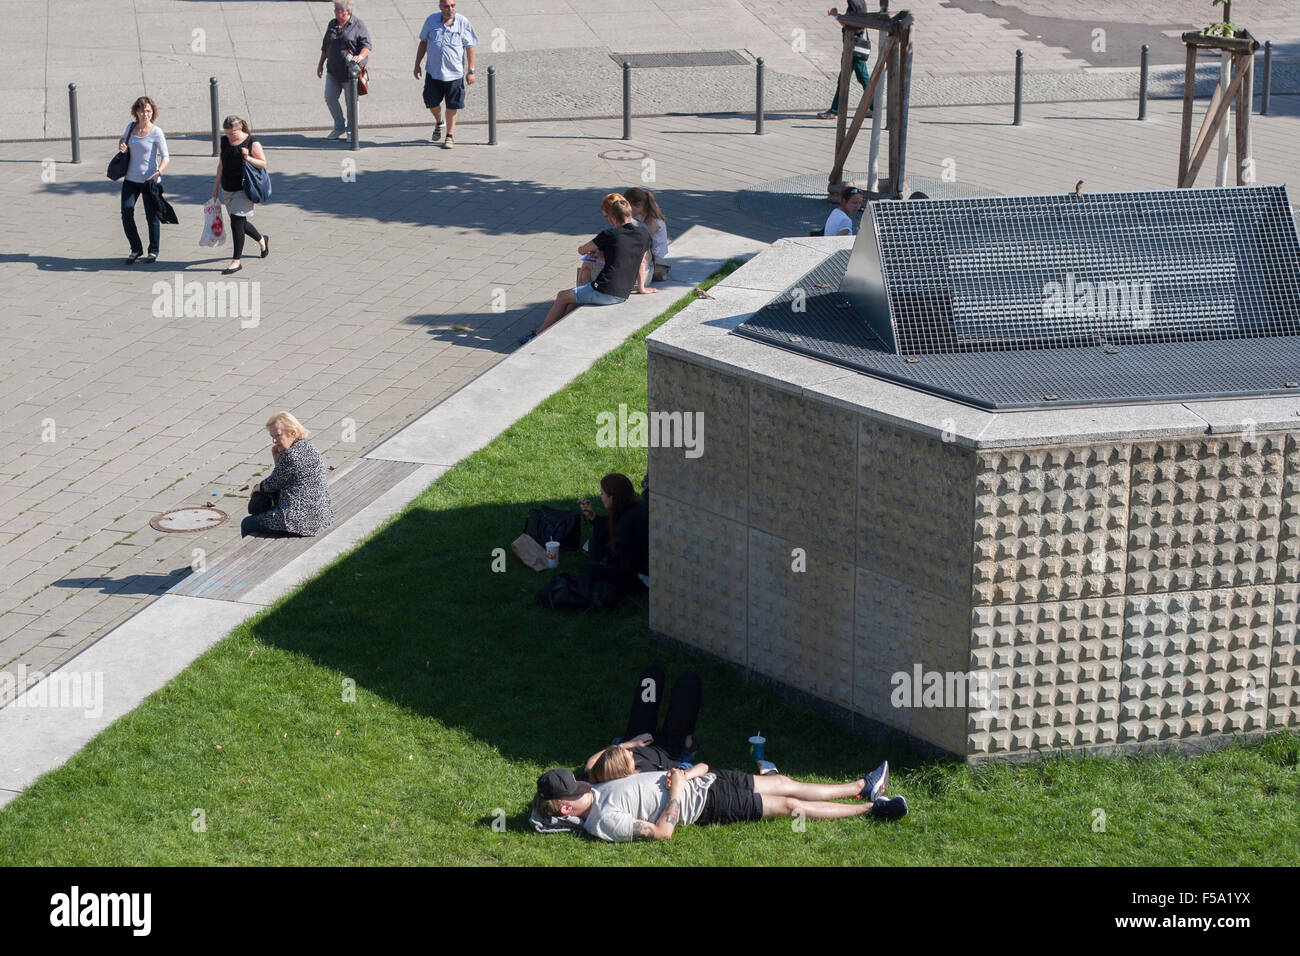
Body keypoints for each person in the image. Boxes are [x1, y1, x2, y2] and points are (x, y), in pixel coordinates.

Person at [532, 760, 904, 843]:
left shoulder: (593, 793)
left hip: (708, 781)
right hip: (709, 805)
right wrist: (678, 792)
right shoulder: (603, 821)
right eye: (577, 792)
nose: (585, 789)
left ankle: (861, 785)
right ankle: (873, 808)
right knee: (790, 805)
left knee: (783, 782)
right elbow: (662, 832)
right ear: (567, 807)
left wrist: (688, 775)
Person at [518, 194, 652, 344]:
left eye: (607, 217)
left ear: (613, 218)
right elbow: (640, 261)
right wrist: (642, 288)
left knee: (562, 296)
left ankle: (537, 335)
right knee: (574, 299)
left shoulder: (609, 234)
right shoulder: (644, 231)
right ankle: (555, 327)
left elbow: (582, 250)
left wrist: (597, 250)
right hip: (623, 292)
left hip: (605, 290)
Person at [581, 665, 702, 780]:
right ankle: (688, 740)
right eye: (628, 758)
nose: (629, 754)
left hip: (636, 738)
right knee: (688, 684)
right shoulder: (641, 784)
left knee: (651, 678)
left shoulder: (598, 775)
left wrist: (629, 744)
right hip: (667, 752)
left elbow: (591, 762)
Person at [242, 412, 334, 538]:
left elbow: (272, 484)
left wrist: (257, 487)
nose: (274, 441)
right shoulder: (309, 447)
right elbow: (283, 477)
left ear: (292, 432)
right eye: (272, 436)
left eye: (278, 435)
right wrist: (278, 460)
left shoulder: (290, 455)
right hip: (321, 516)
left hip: (299, 522)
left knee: (247, 523)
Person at [414, 0, 477, 149]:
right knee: (431, 103)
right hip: (433, 72)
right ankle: (439, 121)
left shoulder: (462, 22)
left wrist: (471, 70)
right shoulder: (431, 20)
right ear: (440, 7)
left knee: (452, 105)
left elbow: (470, 47)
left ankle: (449, 136)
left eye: (453, 5)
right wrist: (417, 64)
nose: (450, 9)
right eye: (447, 6)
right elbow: (423, 42)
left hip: (454, 74)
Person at [210, 116, 270, 276]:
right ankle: (262, 239)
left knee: (236, 223)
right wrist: (216, 187)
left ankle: (236, 261)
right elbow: (221, 165)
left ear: (240, 128)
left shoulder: (252, 143)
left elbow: (263, 163)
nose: (229, 137)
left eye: (232, 134)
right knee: (240, 223)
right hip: (227, 188)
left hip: (245, 189)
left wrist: (248, 157)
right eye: (227, 134)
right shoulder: (224, 142)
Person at [578, 473, 648, 598]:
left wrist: (603, 567)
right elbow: (609, 527)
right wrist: (593, 516)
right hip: (628, 564)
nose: (601, 496)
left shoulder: (629, 522)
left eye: (603, 493)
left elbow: (625, 563)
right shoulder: (631, 508)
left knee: (586, 570)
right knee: (595, 540)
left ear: (613, 497)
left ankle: (587, 596)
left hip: (636, 575)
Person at [117, 97, 169, 265]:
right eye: (142, 111)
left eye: (148, 111)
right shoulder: (131, 127)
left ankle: (153, 251)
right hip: (130, 179)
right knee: (126, 212)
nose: (145, 114)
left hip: (149, 180)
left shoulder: (156, 132)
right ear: (136, 112)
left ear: (152, 112)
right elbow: (122, 140)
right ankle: (136, 248)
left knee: (151, 216)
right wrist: (122, 146)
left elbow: (166, 157)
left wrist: (158, 172)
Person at [318, 0, 372, 140]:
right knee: (330, 97)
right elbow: (325, 45)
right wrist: (320, 64)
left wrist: (359, 57)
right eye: (335, 9)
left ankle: (351, 131)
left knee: (351, 103)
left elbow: (367, 46)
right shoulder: (332, 24)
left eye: (337, 9)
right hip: (333, 70)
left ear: (346, 12)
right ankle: (339, 126)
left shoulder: (358, 24)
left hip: (350, 73)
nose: (334, 12)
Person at [817, 4, 872, 120]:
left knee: (844, 79)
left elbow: (849, 25)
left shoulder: (855, 4)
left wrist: (836, 15)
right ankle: (873, 107)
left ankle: (835, 111)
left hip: (852, 47)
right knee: (863, 78)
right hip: (856, 46)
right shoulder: (859, 4)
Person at [624, 186, 670, 285]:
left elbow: (644, 244)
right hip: (647, 252)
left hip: (654, 258)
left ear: (639, 205)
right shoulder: (640, 216)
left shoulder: (652, 221)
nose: (626, 210)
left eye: (628, 206)